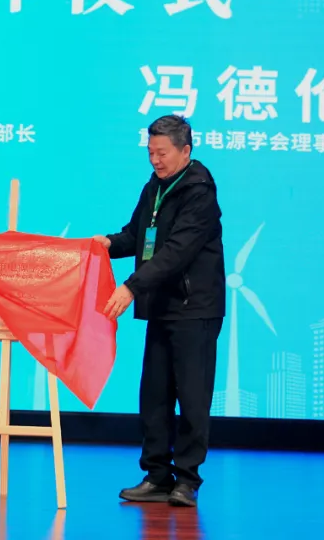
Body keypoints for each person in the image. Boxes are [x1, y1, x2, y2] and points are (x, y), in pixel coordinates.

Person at [94, 114, 226, 508]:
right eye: (150, 152)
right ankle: (156, 476)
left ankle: (187, 480)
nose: (155, 160)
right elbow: (138, 236)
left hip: (194, 308)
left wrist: (132, 286)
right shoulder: (155, 186)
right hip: (162, 306)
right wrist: (105, 245)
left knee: (192, 397)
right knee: (154, 395)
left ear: (186, 150)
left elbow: (176, 252)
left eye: (162, 153)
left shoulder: (199, 191)